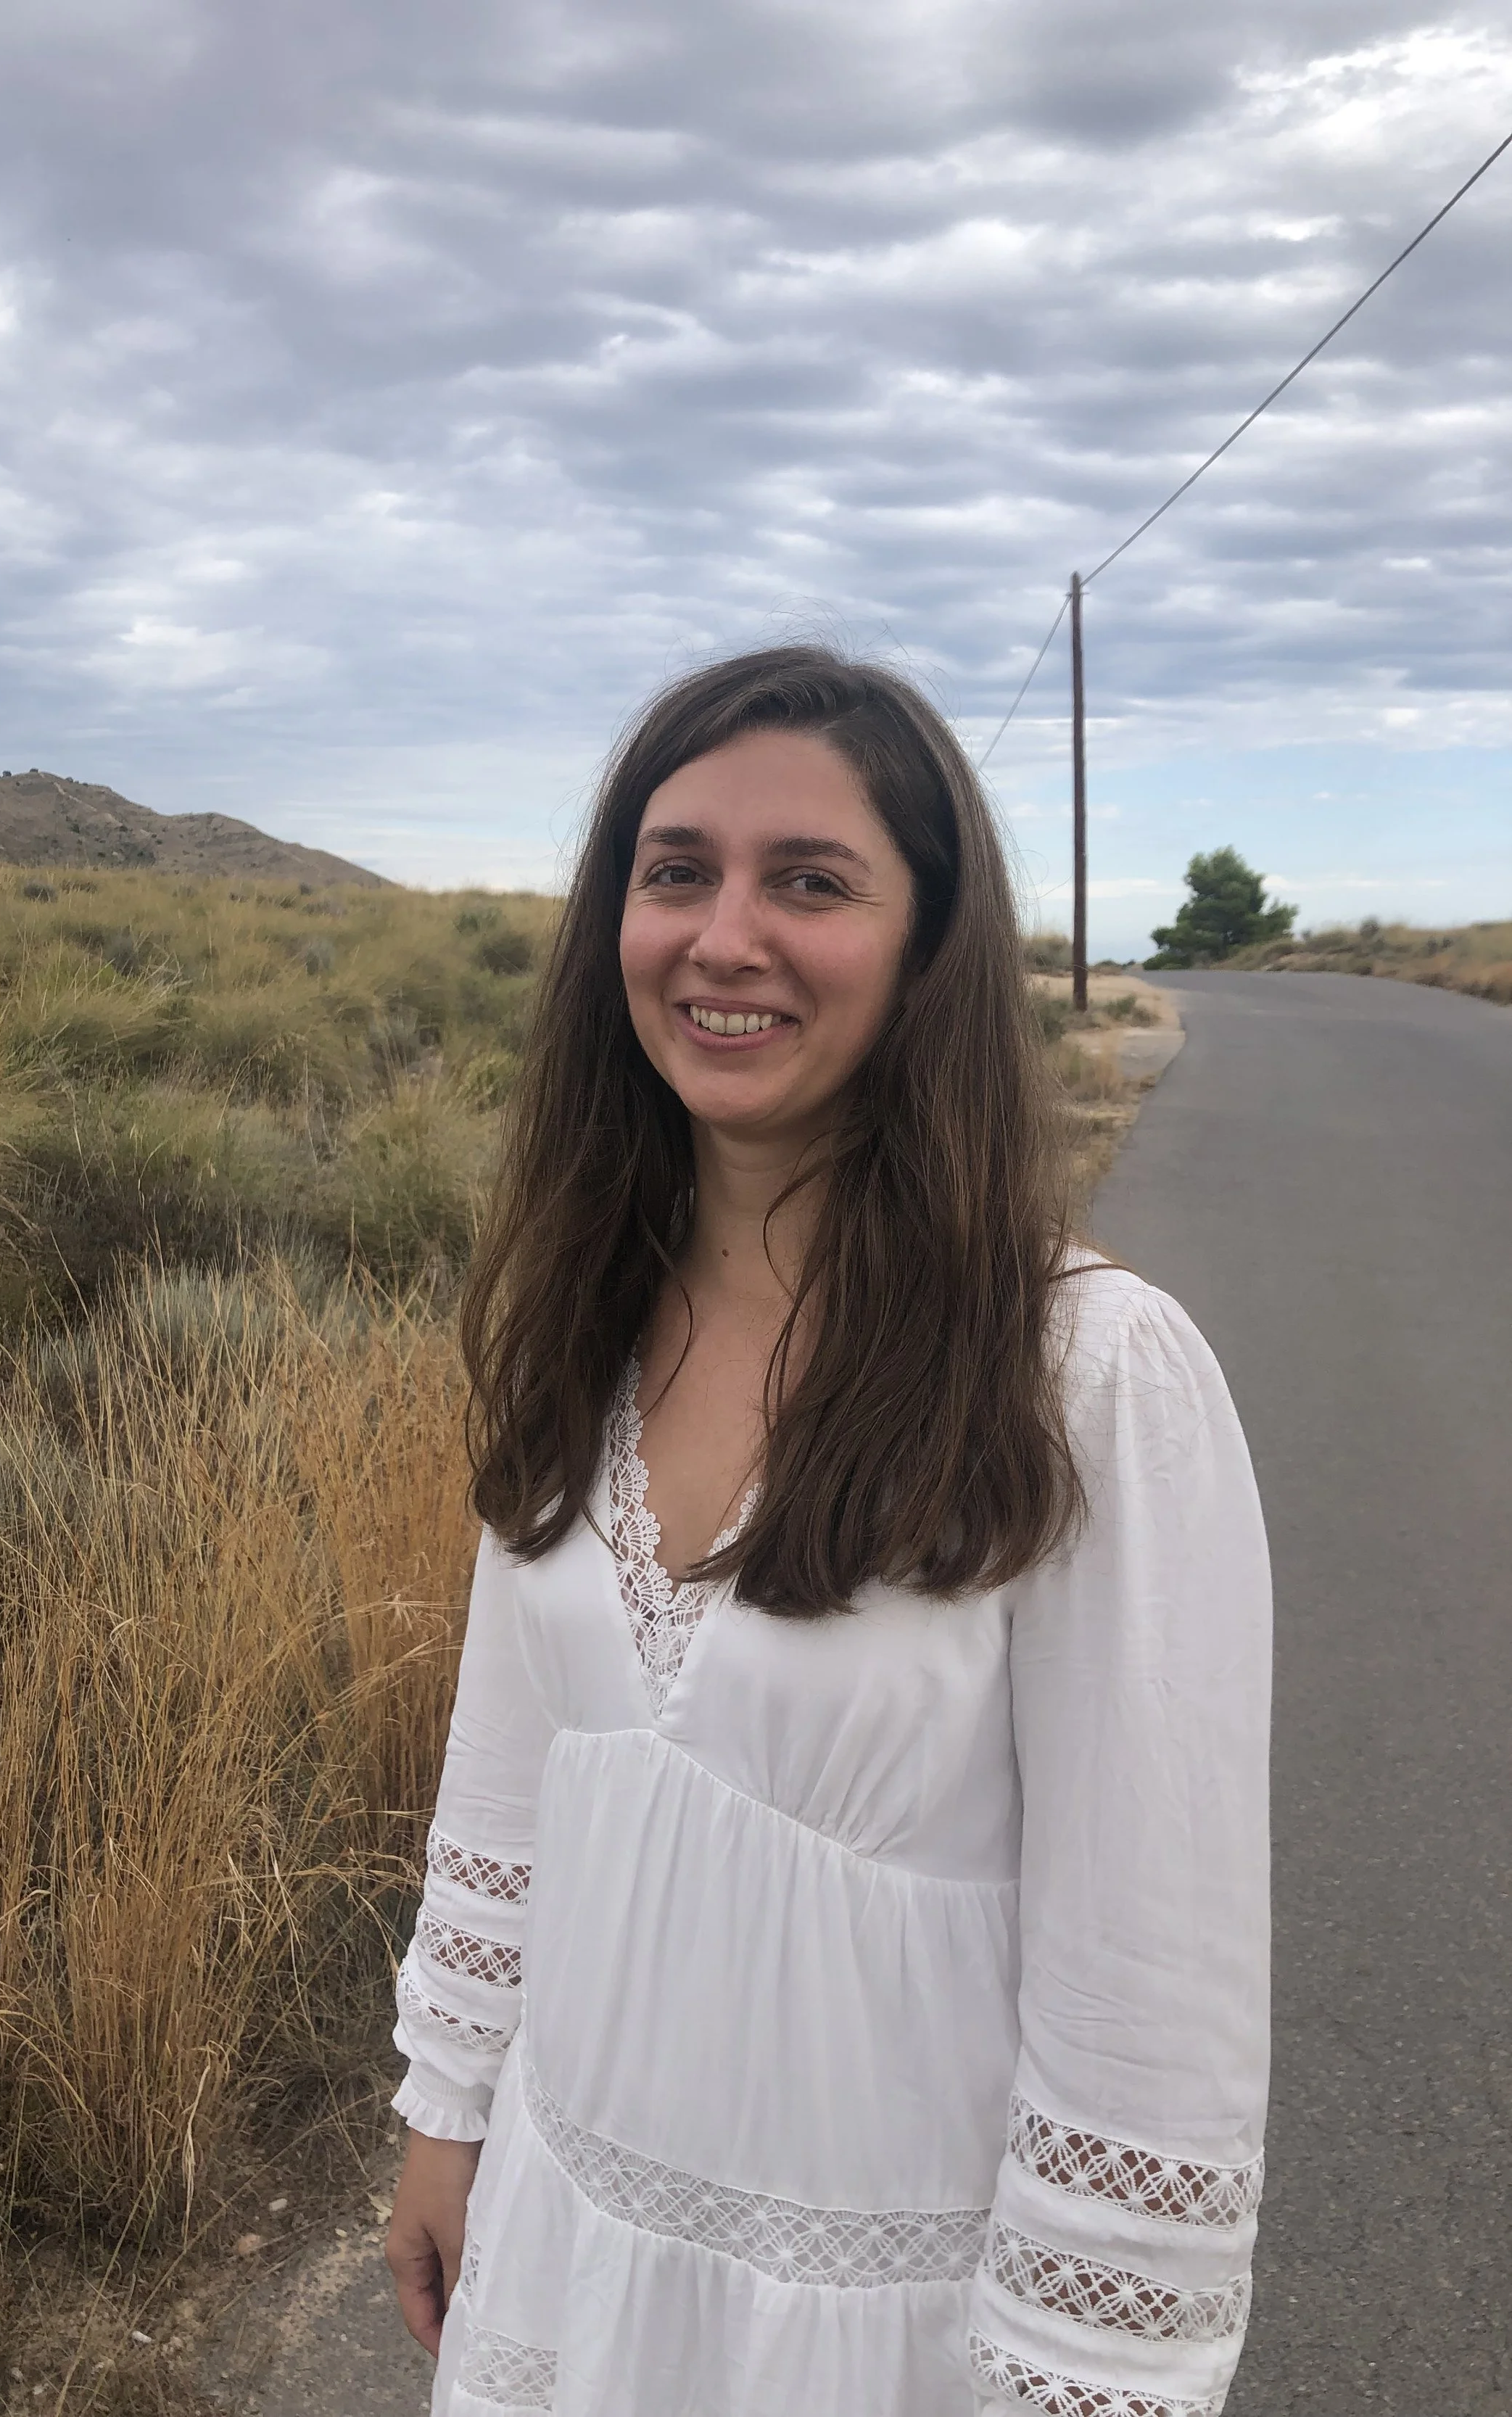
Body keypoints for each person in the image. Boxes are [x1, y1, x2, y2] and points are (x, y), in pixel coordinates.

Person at [385, 646, 1271, 2417]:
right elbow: (512, 1760)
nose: (725, 936)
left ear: (926, 946)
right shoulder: (580, 1310)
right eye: (674, 870)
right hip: (569, 2262)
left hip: (885, 2334)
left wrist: (1075, 2375)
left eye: (809, 881)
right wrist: (446, 2111)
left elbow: (1145, 1989)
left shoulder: (1084, 1375)